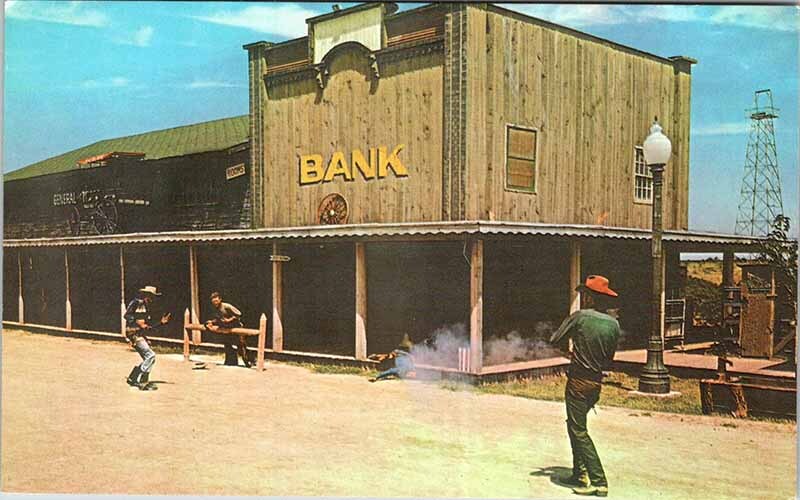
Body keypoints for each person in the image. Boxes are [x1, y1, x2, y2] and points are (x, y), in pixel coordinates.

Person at [549, 275, 620, 497]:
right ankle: (579, 474)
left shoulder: (580, 317)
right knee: (575, 426)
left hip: (578, 382)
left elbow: (555, 339)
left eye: (585, 295)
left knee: (579, 431)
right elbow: (609, 358)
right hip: (596, 383)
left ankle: (598, 481)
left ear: (590, 297)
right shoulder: (614, 324)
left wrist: (570, 352)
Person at [124, 286, 171, 391]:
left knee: (148, 358)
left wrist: (160, 323)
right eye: (151, 296)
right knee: (150, 355)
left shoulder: (146, 307)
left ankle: (133, 377)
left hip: (139, 334)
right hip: (134, 333)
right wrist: (137, 322)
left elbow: (147, 326)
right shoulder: (138, 303)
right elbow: (128, 316)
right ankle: (142, 381)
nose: (153, 299)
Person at [205, 292, 252, 367]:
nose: (215, 303)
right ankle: (231, 362)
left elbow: (239, 314)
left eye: (216, 301)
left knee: (240, 345)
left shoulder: (227, 306)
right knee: (227, 344)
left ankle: (248, 362)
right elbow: (219, 319)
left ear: (220, 299)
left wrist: (229, 320)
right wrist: (211, 322)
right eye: (213, 302)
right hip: (227, 328)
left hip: (236, 327)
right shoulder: (215, 309)